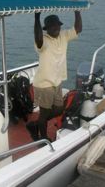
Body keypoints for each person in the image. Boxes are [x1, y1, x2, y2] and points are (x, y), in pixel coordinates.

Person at [26, 11, 82, 141]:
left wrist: (77, 12)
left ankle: (36, 124)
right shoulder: (43, 39)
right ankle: (43, 138)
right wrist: (36, 18)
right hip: (44, 83)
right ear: (47, 29)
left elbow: (78, 29)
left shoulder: (63, 36)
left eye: (57, 25)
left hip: (57, 81)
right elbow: (38, 39)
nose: (56, 28)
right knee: (45, 113)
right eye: (52, 26)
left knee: (58, 109)